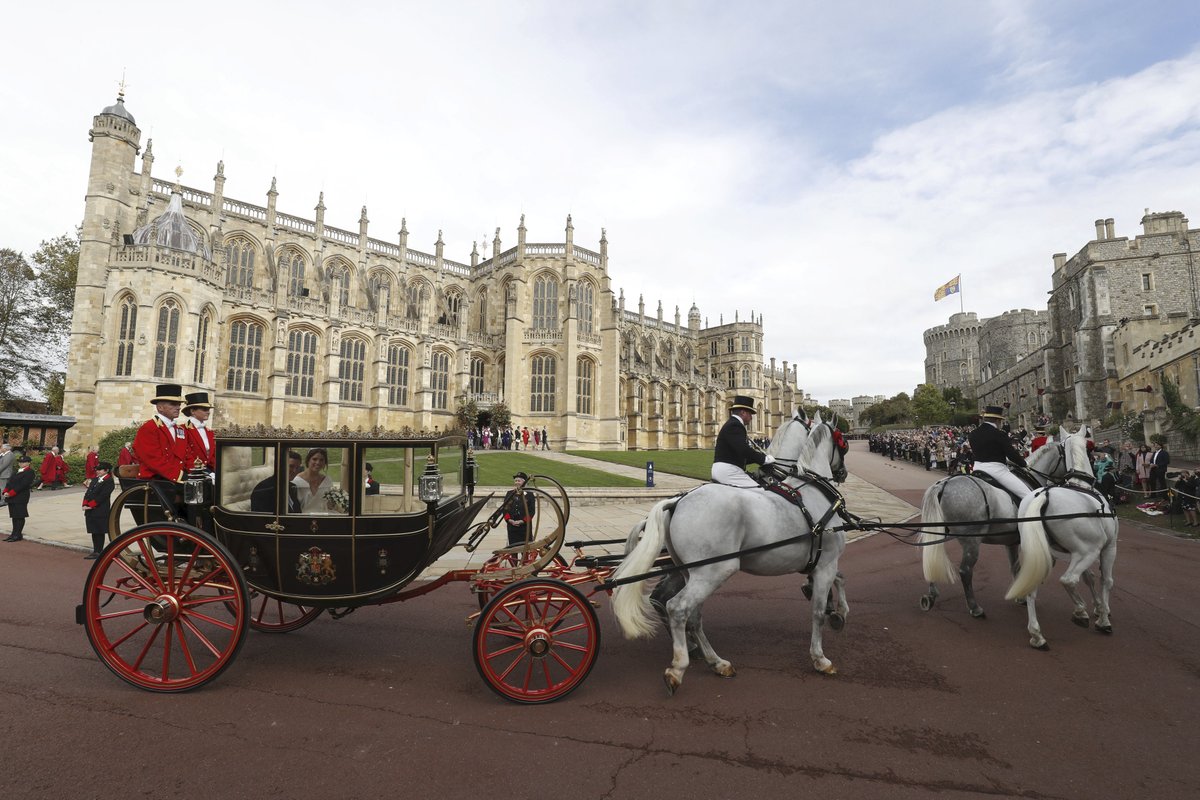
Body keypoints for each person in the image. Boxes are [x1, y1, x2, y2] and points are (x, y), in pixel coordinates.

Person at [967, 406, 1030, 501]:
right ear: (997, 420)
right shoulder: (1000, 434)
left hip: (977, 469)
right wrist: (1024, 464)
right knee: (1029, 496)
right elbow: (1011, 454)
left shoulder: (973, 434)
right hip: (997, 471)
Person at [711, 395, 775, 488]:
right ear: (743, 412)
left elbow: (739, 455)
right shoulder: (735, 425)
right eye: (750, 414)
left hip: (727, 469)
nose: (751, 418)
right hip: (728, 471)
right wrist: (764, 459)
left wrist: (757, 459)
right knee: (759, 491)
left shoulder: (733, 424)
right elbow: (744, 450)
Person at [133, 384, 190, 481]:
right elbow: (153, 459)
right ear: (160, 408)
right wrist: (180, 476)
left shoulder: (180, 429)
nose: (178, 408)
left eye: (179, 404)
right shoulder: (149, 428)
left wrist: (197, 473)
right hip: (156, 479)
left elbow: (186, 455)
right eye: (173, 404)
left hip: (175, 477)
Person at [490, 471, 538, 547]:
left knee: (524, 549)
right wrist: (509, 520)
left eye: (519, 481)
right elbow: (505, 509)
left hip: (525, 527)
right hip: (511, 526)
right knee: (512, 549)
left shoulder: (529, 495)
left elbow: (531, 511)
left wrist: (522, 521)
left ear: (524, 482)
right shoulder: (510, 493)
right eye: (515, 481)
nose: (517, 483)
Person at [81, 461, 115, 558]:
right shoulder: (95, 479)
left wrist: (91, 505)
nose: (98, 471)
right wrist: (84, 504)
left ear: (106, 470)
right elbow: (88, 492)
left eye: (100, 470)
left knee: (99, 530)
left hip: (100, 509)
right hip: (90, 509)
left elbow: (103, 496)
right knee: (93, 530)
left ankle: (98, 551)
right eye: (97, 470)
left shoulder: (109, 481)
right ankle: (95, 550)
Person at [292, 447, 336, 513]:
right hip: (303, 518)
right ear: (308, 460)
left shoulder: (327, 480)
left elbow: (330, 506)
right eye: (314, 459)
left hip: (324, 517)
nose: (318, 462)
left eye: (321, 460)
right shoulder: (297, 481)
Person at [180, 391, 216, 472]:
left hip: (209, 471)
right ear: (193, 411)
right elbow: (186, 456)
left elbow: (212, 456)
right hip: (193, 472)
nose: (208, 412)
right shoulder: (183, 430)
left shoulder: (209, 432)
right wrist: (203, 473)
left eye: (208, 409)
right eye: (204, 409)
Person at [3, 455, 35, 542]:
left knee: (20, 515)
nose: (21, 463)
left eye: (23, 462)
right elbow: (9, 482)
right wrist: (5, 491)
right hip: (12, 496)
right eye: (20, 462)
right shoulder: (16, 471)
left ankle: (18, 534)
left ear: (28, 463)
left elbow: (23, 485)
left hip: (21, 496)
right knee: (14, 516)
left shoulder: (30, 472)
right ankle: (14, 534)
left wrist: (10, 493)